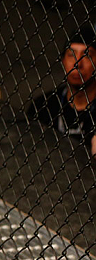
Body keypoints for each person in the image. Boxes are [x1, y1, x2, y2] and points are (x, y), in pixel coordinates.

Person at [27, 25, 95, 159]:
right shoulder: (44, 105)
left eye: (86, 55)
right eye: (71, 55)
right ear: (63, 61)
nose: (77, 63)